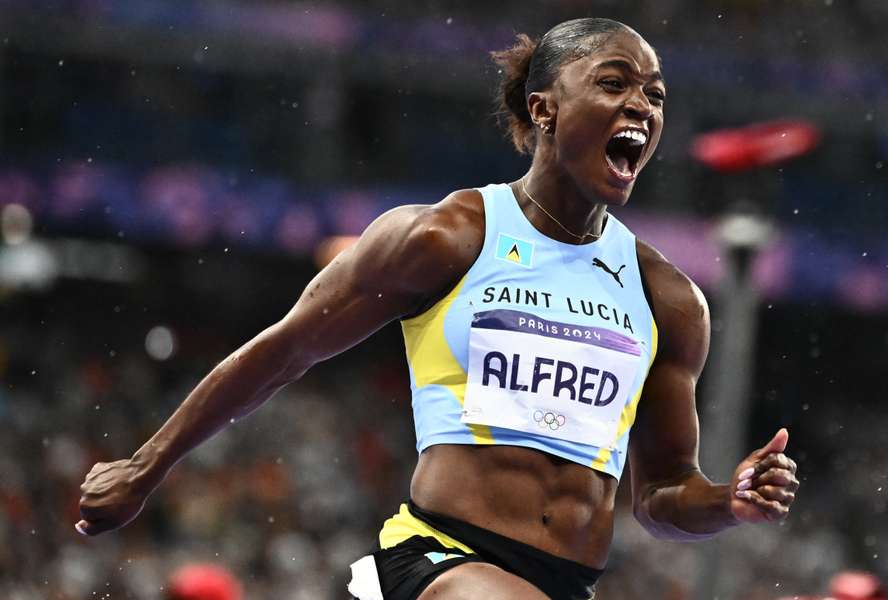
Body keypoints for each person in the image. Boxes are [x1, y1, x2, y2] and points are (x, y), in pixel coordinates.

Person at [76, 17, 800, 600]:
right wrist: (145, 466)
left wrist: (727, 501)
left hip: (567, 584)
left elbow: (663, 495)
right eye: (615, 83)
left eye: (657, 94)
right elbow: (286, 348)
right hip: (439, 560)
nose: (642, 104)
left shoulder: (667, 299)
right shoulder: (446, 237)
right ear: (543, 108)